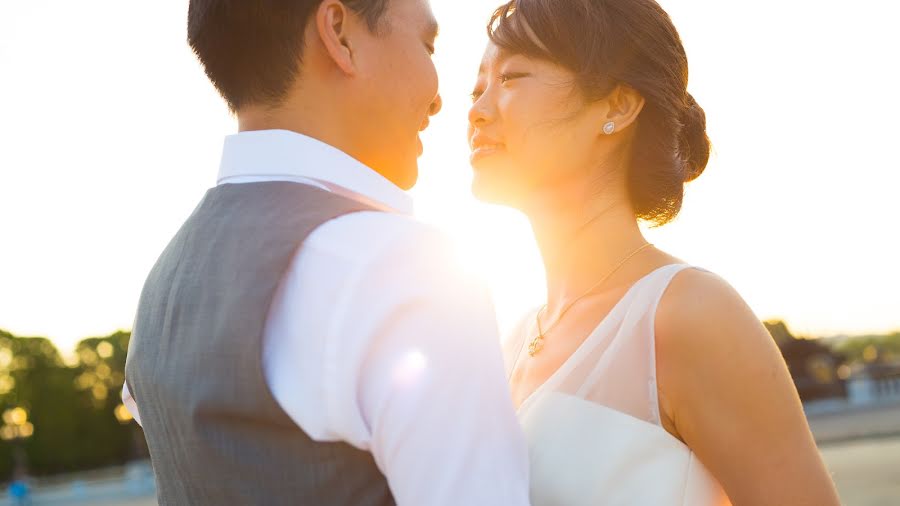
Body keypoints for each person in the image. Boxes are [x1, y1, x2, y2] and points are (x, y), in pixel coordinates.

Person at [122, 0, 530, 504]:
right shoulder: (401, 268)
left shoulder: (163, 286)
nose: (440, 99)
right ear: (339, 33)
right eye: (427, 44)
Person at [468, 0, 842, 504]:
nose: (477, 109)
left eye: (511, 77)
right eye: (478, 85)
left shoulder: (689, 314)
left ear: (617, 106)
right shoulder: (510, 343)